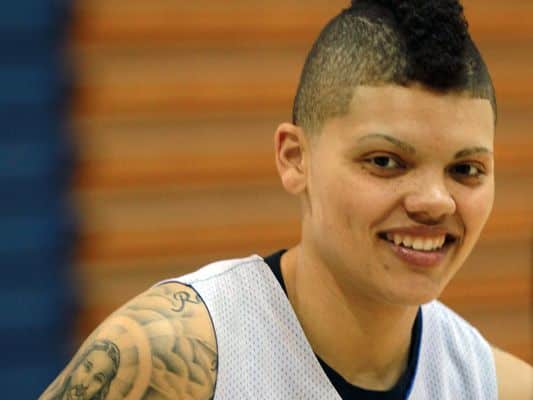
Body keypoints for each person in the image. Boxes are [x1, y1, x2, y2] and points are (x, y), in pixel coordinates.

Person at [41, 0, 532, 399]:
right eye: (386, 161)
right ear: (295, 158)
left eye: (465, 170)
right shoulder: (169, 359)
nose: (434, 202)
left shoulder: (495, 387)